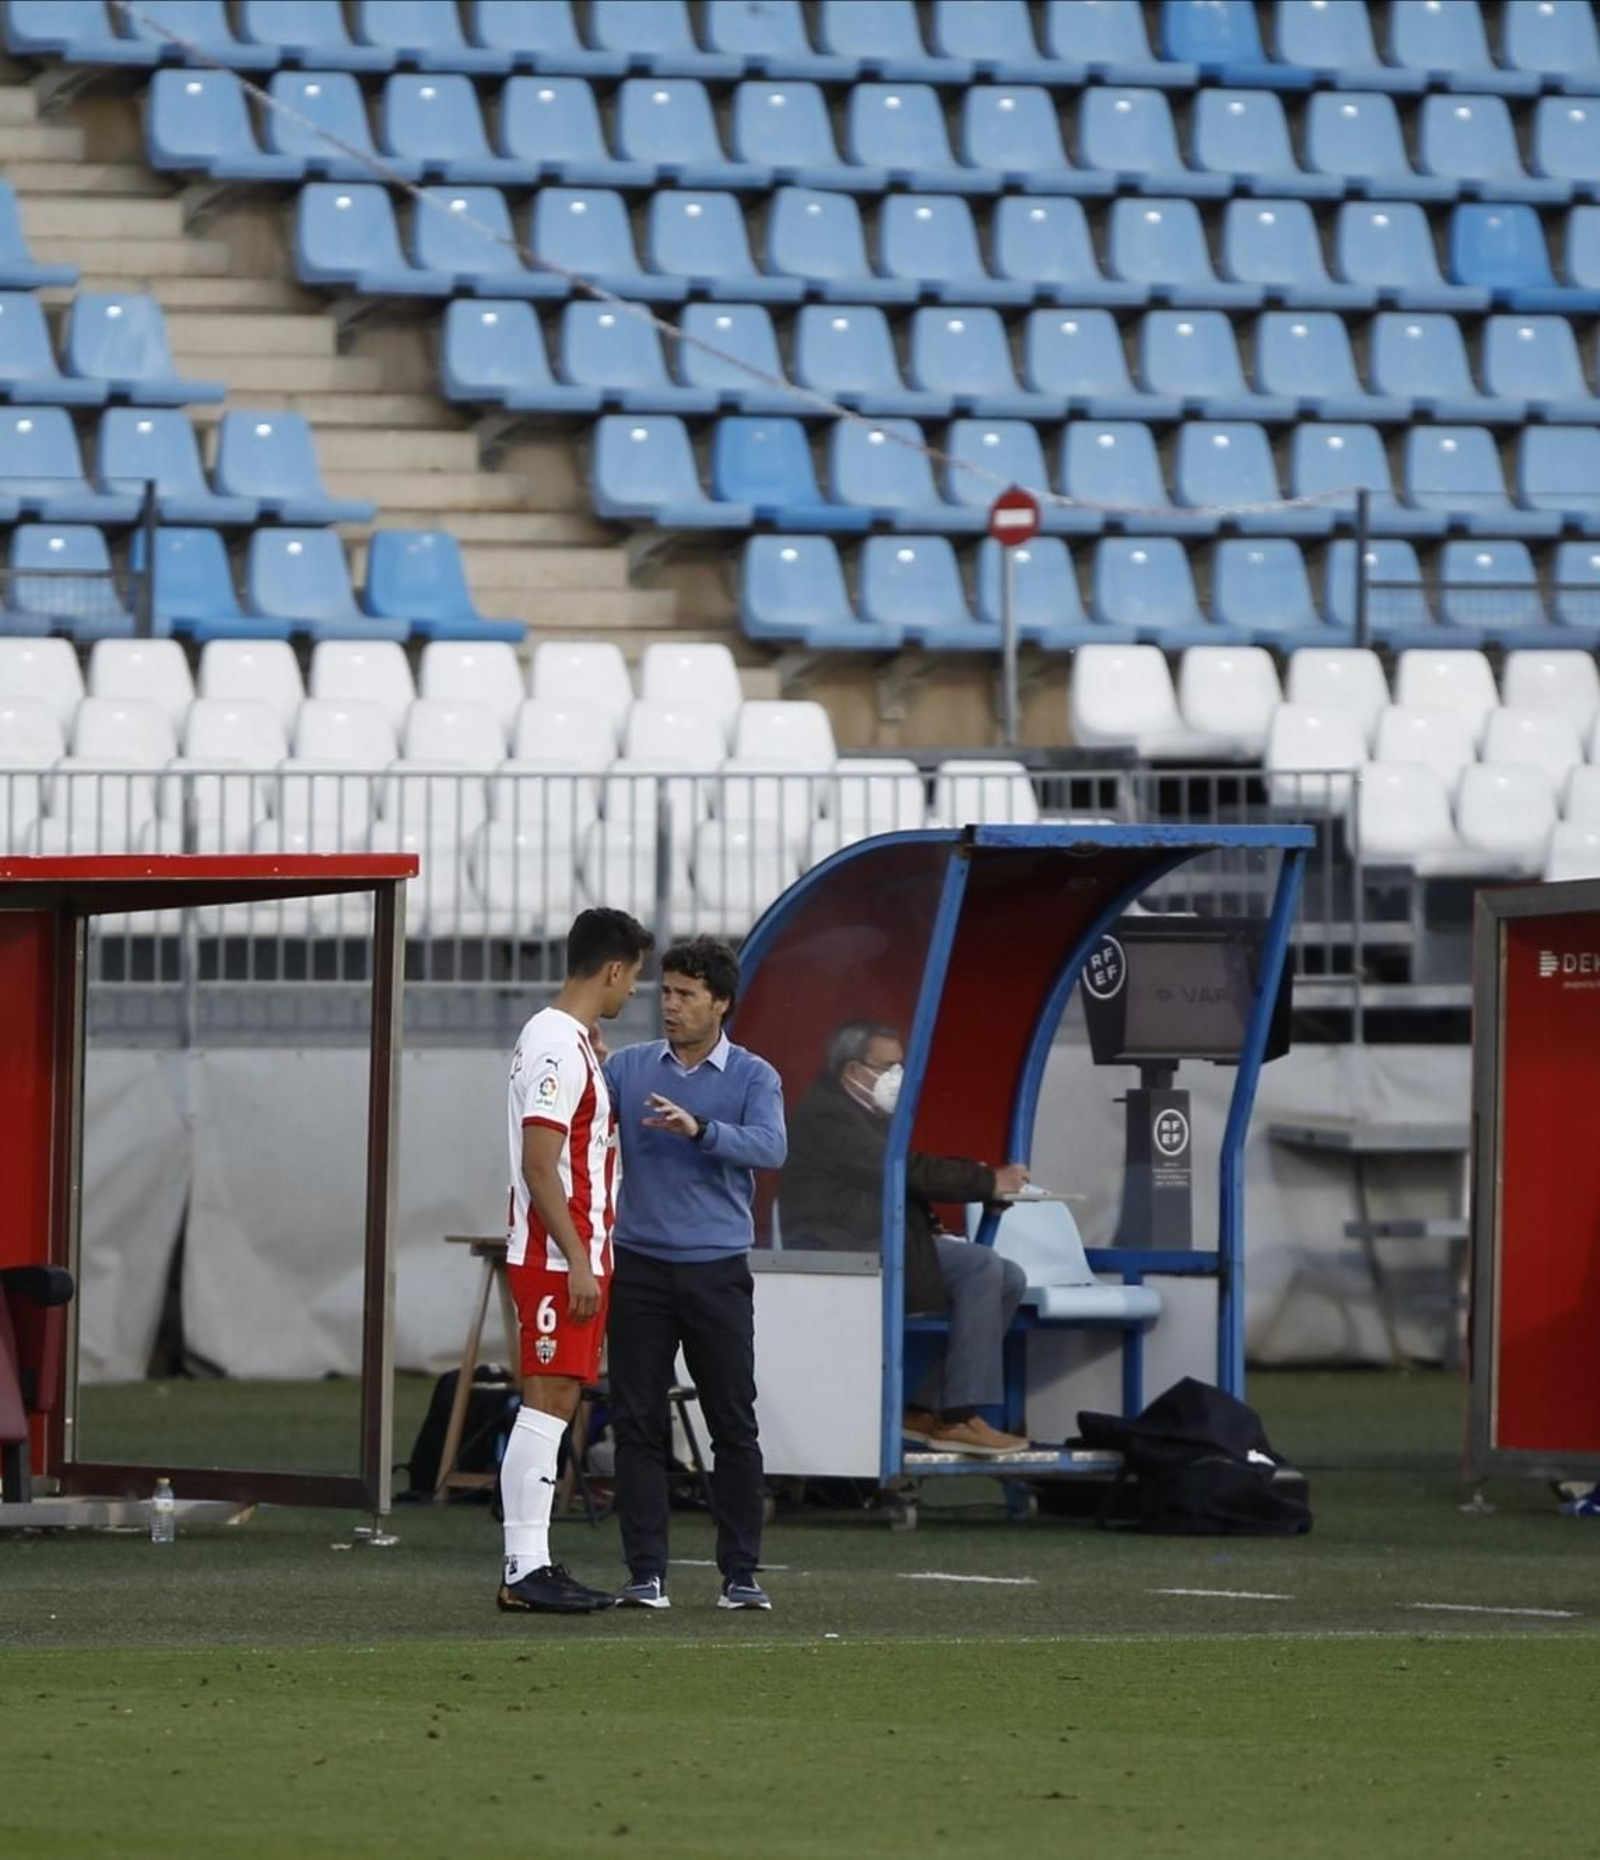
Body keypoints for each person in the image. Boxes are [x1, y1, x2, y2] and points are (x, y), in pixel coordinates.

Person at [603, 936, 787, 1612]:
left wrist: (702, 1131)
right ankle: (645, 1573)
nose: (670, 1006)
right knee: (638, 1422)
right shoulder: (626, 1068)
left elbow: (771, 1146)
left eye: (685, 995)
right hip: (641, 1269)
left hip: (716, 1271)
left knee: (732, 1424)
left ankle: (741, 1574)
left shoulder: (754, 1077)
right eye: (666, 993)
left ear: (721, 1003)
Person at [497, 906, 654, 1616]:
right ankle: (522, 1567)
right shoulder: (560, 1044)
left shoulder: (569, 1039)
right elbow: (540, 1165)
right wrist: (578, 1259)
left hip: (569, 1256)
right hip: (558, 1260)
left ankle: (532, 1563)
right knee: (549, 1403)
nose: (630, 997)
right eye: (633, 981)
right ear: (614, 970)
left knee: (554, 1405)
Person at [779, 1021, 1032, 1457]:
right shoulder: (828, 1114)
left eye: (902, 1065)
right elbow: (904, 1170)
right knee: (980, 1265)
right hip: (842, 1248)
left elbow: (898, 1179)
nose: (898, 1076)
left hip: (875, 1239)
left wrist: (965, 1198)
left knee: (1008, 1277)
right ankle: (958, 1416)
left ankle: (927, 1407)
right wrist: (987, 1180)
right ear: (854, 1071)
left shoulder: (865, 1113)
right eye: (889, 1066)